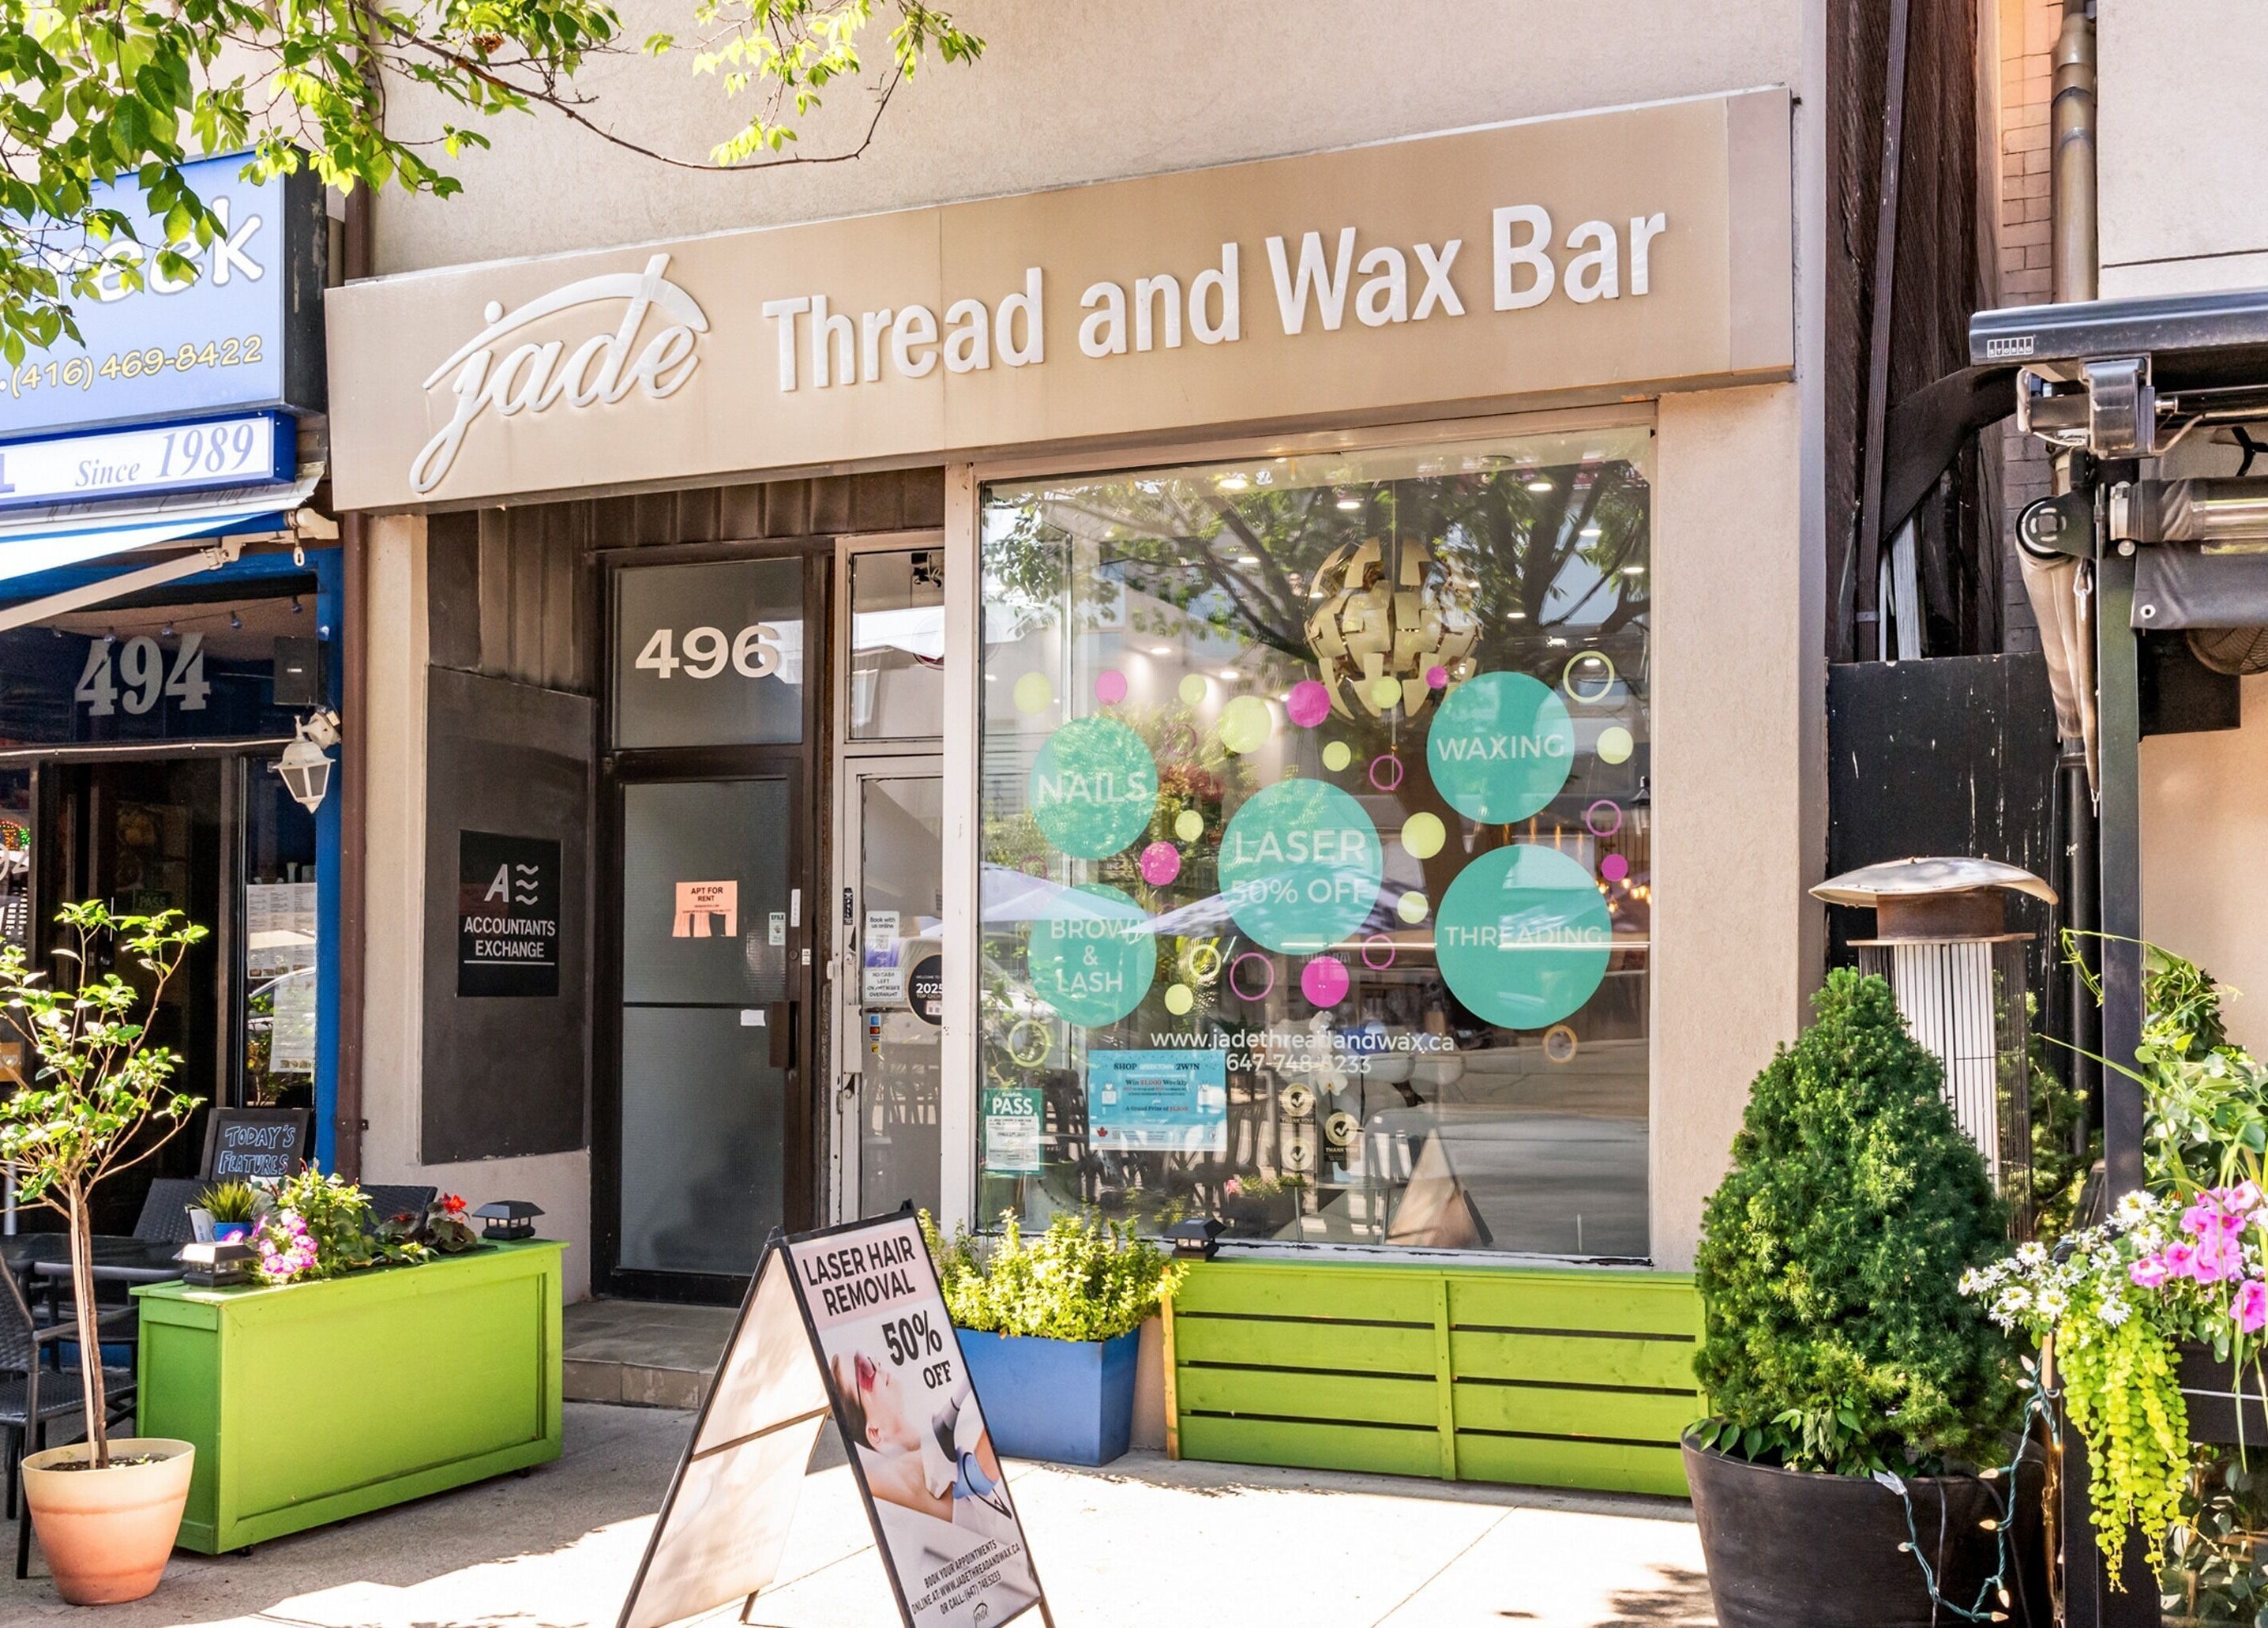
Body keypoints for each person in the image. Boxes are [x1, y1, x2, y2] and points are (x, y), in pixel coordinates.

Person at [830, 1345, 1012, 1529]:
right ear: (875, 1432)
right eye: (863, 1370)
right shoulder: (906, 1484)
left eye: (868, 1357)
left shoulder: (947, 1415)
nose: (875, 1363)